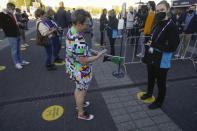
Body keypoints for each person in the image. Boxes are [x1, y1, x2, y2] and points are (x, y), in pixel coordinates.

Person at [65, 9, 104, 120]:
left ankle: (79, 105)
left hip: (72, 66)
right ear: (78, 23)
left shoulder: (71, 30)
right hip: (80, 70)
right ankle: (81, 113)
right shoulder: (79, 39)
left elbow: (78, 51)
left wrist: (91, 51)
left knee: (78, 89)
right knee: (82, 92)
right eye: (86, 24)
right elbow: (83, 60)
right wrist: (97, 57)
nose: (88, 26)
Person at [141, 1, 180, 109]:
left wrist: (154, 44)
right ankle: (149, 93)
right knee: (150, 78)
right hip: (152, 57)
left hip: (162, 61)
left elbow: (172, 48)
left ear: (168, 10)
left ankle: (159, 101)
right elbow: (153, 39)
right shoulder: (158, 23)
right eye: (157, 11)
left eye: (162, 10)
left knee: (161, 83)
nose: (159, 12)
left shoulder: (172, 27)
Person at [0, 3, 30, 69]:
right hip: (11, 35)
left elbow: (14, 22)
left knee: (18, 49)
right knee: (14, 50)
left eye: (14, 9)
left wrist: (19, 23)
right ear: (8, 8)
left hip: (17, 33)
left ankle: (20, 60)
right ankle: (16, 63)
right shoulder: (2, 15)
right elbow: (4, 26)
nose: (13, 10)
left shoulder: (12, 14)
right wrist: (16, 24)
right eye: (12, 9)